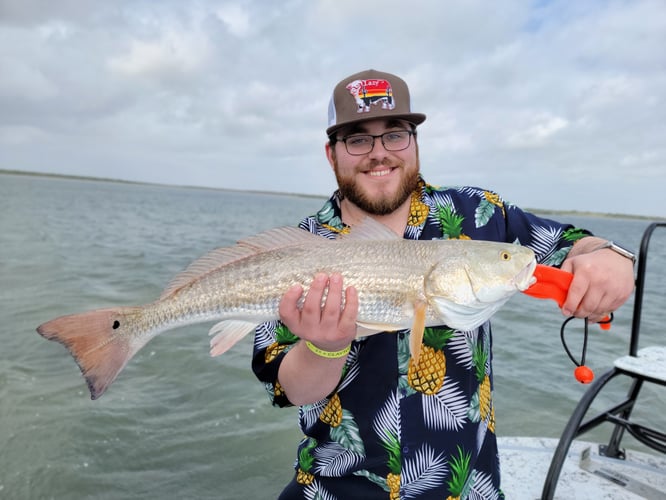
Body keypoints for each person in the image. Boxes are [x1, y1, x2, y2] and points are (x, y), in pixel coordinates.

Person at [251, 69, 635, 499]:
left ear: (414, 142)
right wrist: (325, 347)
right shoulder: (298, 250)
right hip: (334, 488)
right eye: (358, 139)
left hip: (466, 488)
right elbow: (290, 390)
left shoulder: (479, 215)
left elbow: (571, 244)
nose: (379, 154)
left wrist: (610, 256)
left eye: (395, 134)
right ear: (331, 153)